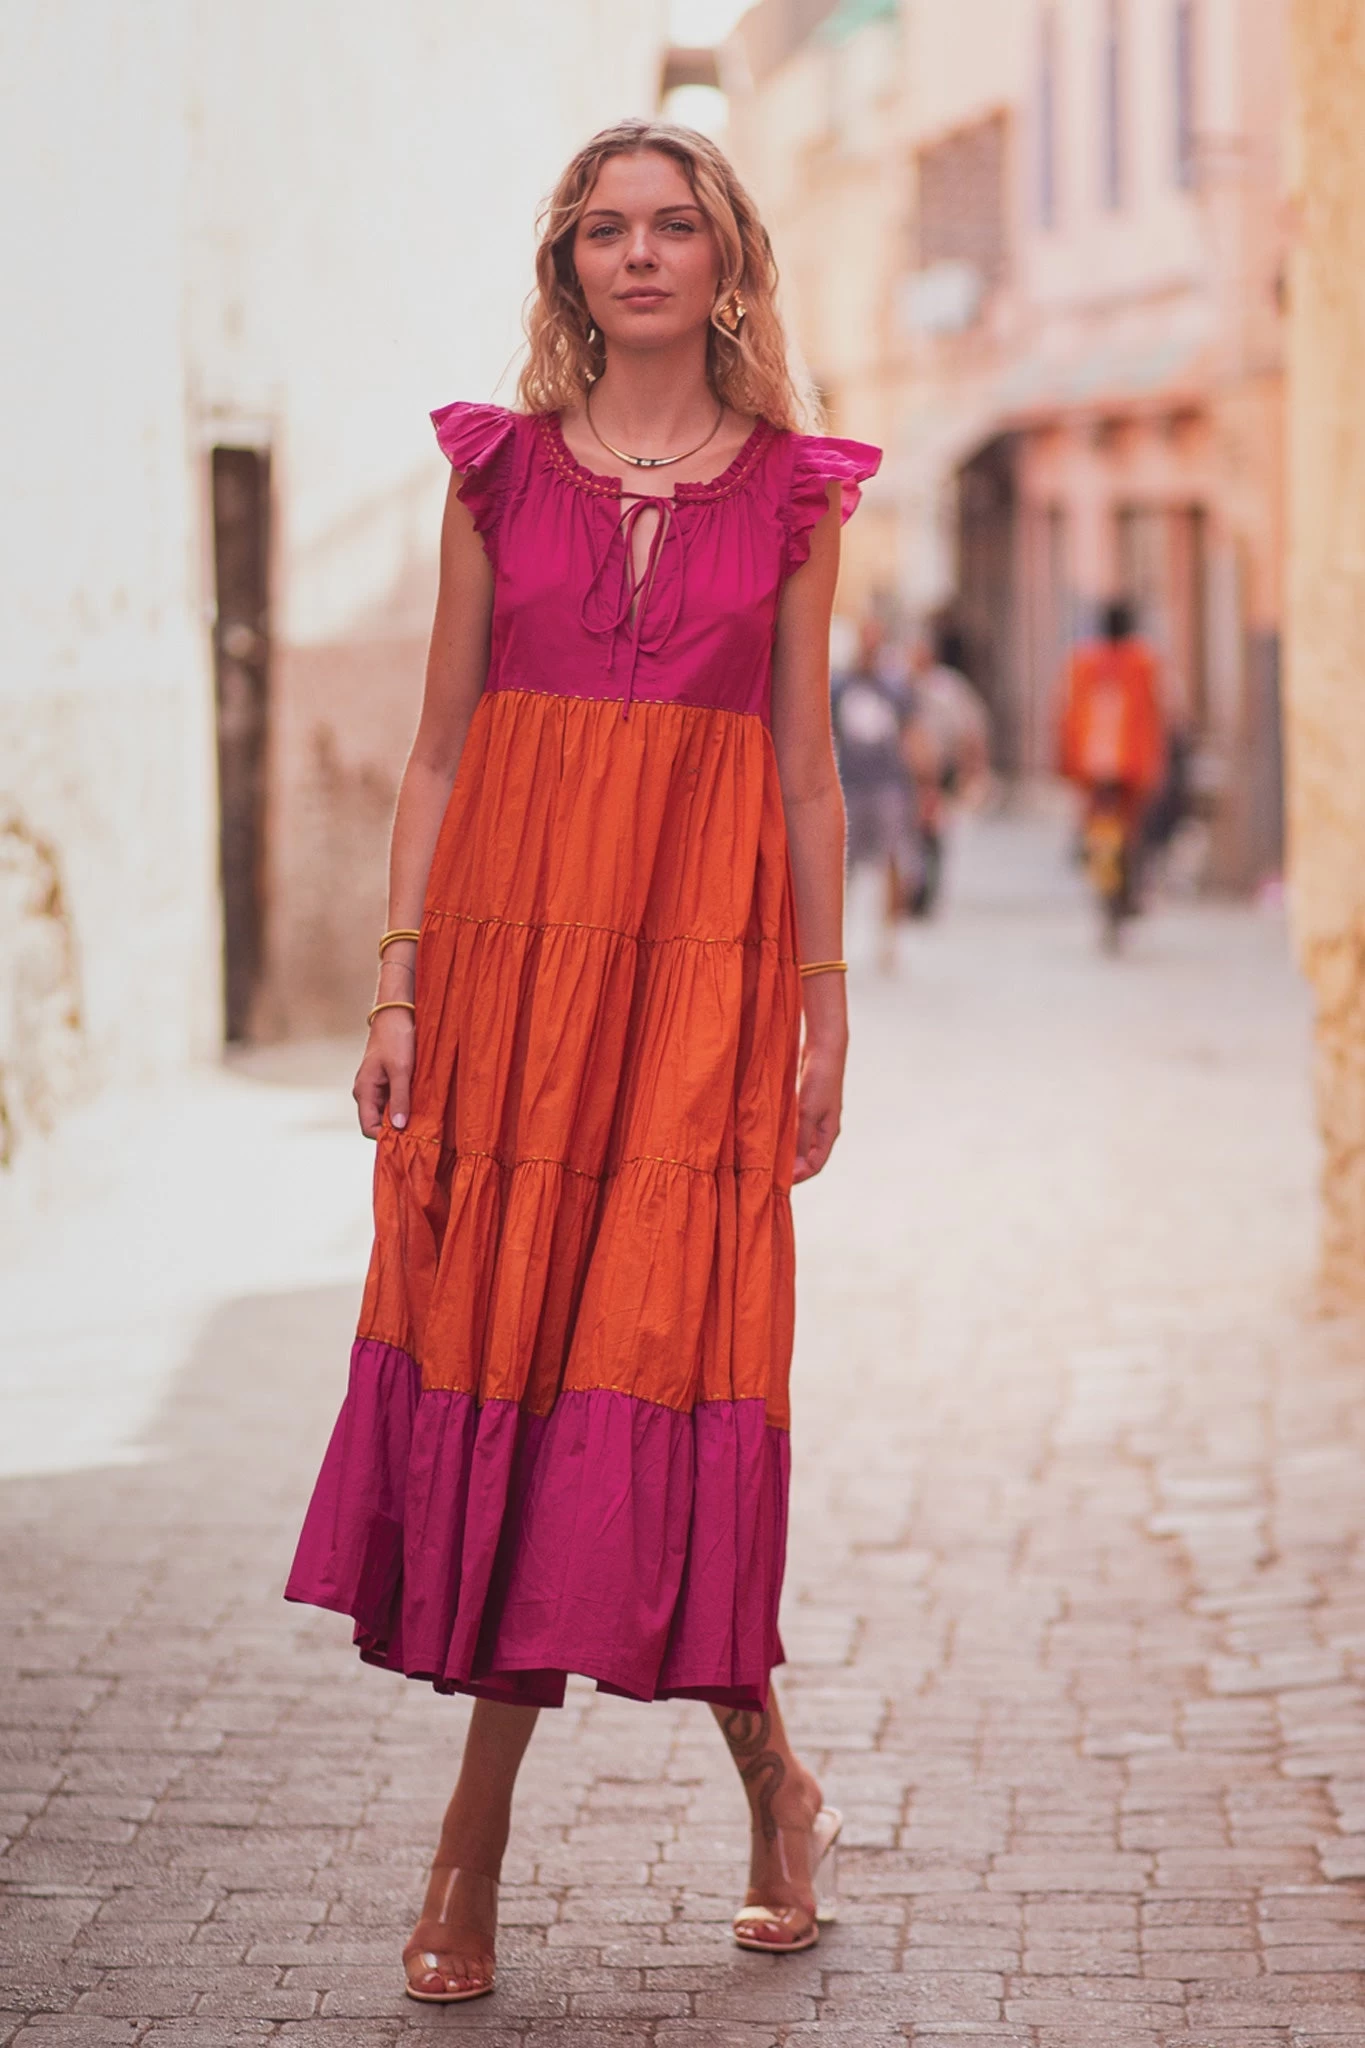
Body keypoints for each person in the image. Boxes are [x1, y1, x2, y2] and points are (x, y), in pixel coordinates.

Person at [284, 119, 880, 2005]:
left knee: (657, 1370)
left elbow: (804, 772)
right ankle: (564, 1827)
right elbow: (440, 751)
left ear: (725, 260)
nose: (639, 254)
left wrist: (824, 1006)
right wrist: (397, 990)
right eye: (605, 229)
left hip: (696, 992)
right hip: (510, 991)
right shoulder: (497, 476)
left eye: (672, 226)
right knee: (526, 1371)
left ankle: (728, 1797)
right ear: (569, 265)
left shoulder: (795, 496)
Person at [1057, 599, 1166, 909]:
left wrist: (1065, 761)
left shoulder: (1083, 663)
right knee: (1132, 826)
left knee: (1095, 819)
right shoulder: (1142, 663)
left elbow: (1066, 714)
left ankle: (1099, 867)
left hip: (1090, 765)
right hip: (1131, 763)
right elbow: (1156, 713)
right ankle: (1129, 880)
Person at [829, 617, 920, 959]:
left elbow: (911, 736)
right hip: (851, 785)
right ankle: (838, 936)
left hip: (888, 786)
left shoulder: (895, 688)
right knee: (843, 865)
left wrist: (921, 786)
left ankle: (889, 938)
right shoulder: (840, 687)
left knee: (892, 860)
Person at [904, 628, 993, 916]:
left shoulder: (948, 687)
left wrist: (972, 767)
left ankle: (928, 888)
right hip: (910, 773)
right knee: (911, 832)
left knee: (934, 830)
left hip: (942, 769)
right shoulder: (902, 686)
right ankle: (914, 887)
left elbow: (971, 728)